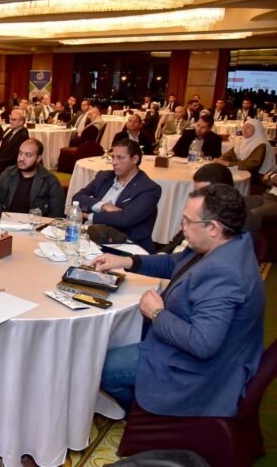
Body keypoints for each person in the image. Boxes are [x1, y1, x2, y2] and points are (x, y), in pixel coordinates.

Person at [96, 184, 264, 417]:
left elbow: (202, 344)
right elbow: (175, 263)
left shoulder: (224, 273)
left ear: (213, 227)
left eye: (187, 221)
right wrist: (126, 262)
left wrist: (157, 314)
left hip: (198, 371)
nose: (181, 227)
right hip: (184, 344)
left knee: (101, 368)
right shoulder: (226, 243)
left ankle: (143, 416)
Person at [72, 139, 162, 252]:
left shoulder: (149, 188)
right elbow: (77, 198)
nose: (114, 162)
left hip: (126, 245)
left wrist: (88, 216)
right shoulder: (104, 177)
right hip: (91, 236)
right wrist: (103, 206)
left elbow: (125, 219)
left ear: (135, 159)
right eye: (113, 157)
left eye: (120, 158)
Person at [160, 163, 234, 254]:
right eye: (196, 191)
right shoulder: (196, 210)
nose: (197, 196)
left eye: (203, 192)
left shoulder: (222, 225)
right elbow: (176, 243)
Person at [0, 138, 65, 217]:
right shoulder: (7, 174)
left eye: (28, 155)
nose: (21, 158)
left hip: (36, 223)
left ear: (38, 159)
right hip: (7, 221)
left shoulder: (50, 181)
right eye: (20, 153)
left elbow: (56, 215)